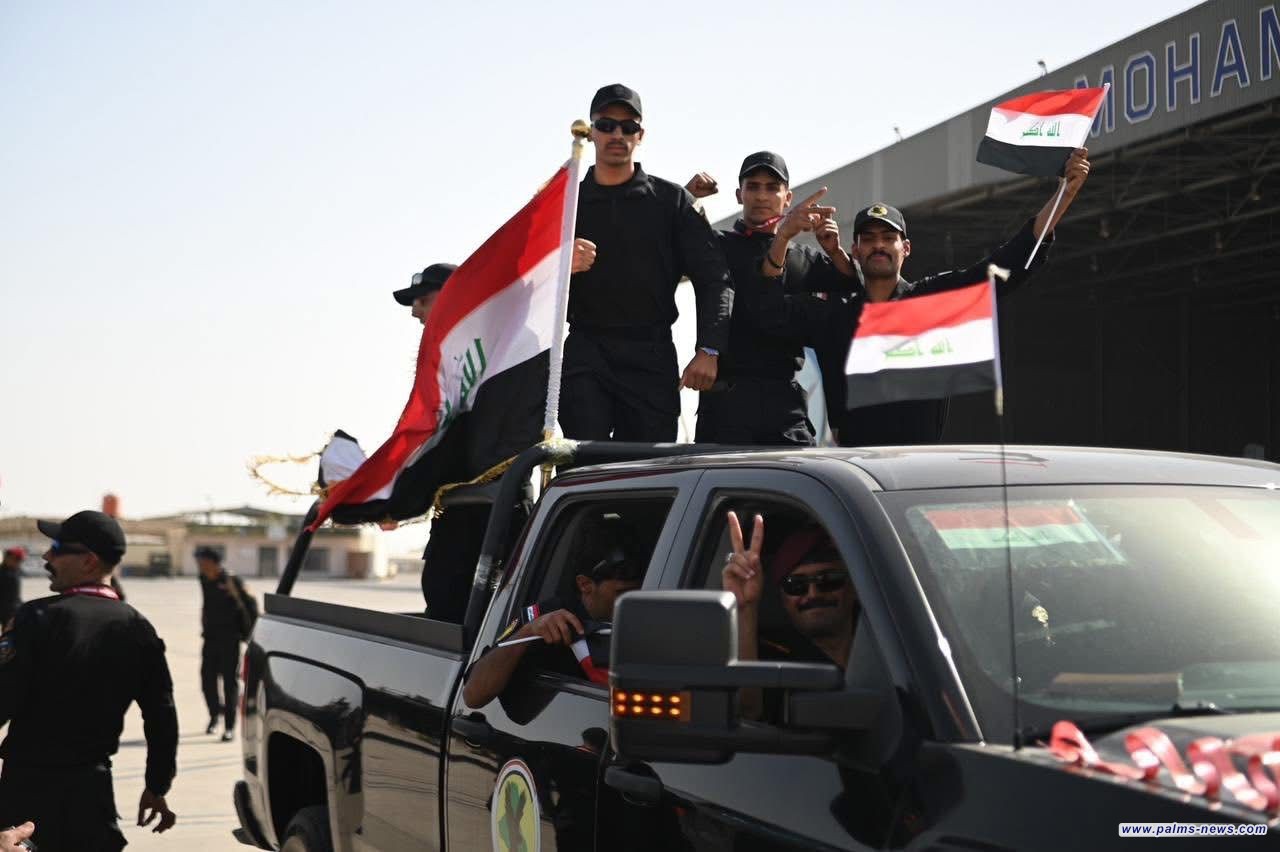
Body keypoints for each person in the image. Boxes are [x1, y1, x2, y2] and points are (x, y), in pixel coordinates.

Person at [754, 149, 1092, 446]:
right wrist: (783, 237)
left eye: (888, 237)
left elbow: (1008, 266)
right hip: (855, 468)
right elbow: (768, 314)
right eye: (868, 239)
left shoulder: (931, 301)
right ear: (855, 250)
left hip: (918, 466)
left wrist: (1065, 194)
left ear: (906, 248)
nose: (879, 245)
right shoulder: (834, 316)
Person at [562, 83, 735, 442]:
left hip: (650, 354)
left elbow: (714, 278)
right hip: (585, 352)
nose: (617, 134)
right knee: (582, 466)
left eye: (628, 127)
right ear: (591, 132)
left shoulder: (672, 202)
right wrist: (559, 264)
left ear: (640, 135)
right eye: (606, 125)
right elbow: (523, 279)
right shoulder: (564, 204)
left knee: (648, 467)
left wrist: (709, 349)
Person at [0, 510, 178, 850]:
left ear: (89, 561)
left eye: (57, 548)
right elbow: (162, 716)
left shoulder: (37, 618)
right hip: (92, 801)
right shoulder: (138, 628)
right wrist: (157, 786)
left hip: (25, 800)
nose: (47, 556)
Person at [395, 263, 548, 622]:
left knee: (496, 618)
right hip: (457, 512)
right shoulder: (445, 359)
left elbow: (503, 433)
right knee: (445, 607)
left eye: (423, 299)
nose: (415, 311)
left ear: (455, 296)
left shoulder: (513, 346)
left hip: (496, 509)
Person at [685, 152, 857, 445]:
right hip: (727, 403)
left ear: (787, 198)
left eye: (772, 187)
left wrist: (834, 250)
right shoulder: (716, 245)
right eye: (753, 186)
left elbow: (853, 288)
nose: (762, 196)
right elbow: (654, 245)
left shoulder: (803, 257)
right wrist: (685, 198)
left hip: (785, 404)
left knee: (802, 473)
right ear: (739, 195)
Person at [462, 531, 644, 708]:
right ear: (585, 585)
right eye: (622, 593)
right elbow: (473, 696)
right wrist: (527, 632)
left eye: (640, 590)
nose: (635, 600)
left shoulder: (647, 620)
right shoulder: (548, 618)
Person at [197, 546, 251, 741]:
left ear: (213, 562)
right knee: (207, 680)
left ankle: (229, 726)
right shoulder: (203, 579)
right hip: (210, 639)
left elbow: (250, 605)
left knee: (230, 682)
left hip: (230, 639)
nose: (200, 566)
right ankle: (214, 716)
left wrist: (249, 634)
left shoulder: (232, 581)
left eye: (203, 562)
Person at [0, 547, 24, 629]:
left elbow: (15, 596)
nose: (18, 563)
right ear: (7, 558)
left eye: (20, 560)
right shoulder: (7, 574)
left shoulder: (15, 572)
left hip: (11, 611)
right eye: (16, 559)